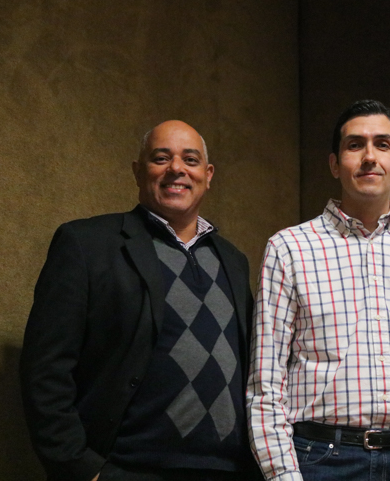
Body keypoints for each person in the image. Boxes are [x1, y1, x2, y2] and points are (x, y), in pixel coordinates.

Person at [20, 120, 260, 481]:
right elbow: (45, 369)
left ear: (207, 175)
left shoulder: (233, 261)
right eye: (161, 158)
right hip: (127, 468)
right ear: (137, 171)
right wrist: (83, 469)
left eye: (190, 160)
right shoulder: (87, 244)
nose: (176, 169)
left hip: (228, 471)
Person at [247, 100, 390, 481]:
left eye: (382, 145)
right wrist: (283, 475)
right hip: (320, 460)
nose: (369, 157)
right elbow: (265, 382)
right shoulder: (289, 248)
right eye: (354, 145)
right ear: (334, 164)